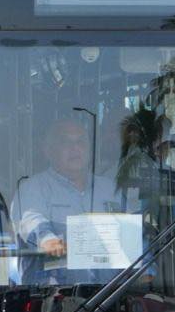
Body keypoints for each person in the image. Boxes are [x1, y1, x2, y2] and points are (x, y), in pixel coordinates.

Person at [12, 118, 123, 280]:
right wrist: (49, 241)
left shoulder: (111, 189)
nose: (75, 148)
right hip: (55, 298)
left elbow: (133, 232)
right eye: (66, 143)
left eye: (81, 142)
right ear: (48, 151)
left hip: (114, 294)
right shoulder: (32, 188)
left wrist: (146, 268)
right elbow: (31, 221)